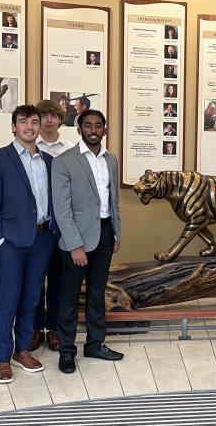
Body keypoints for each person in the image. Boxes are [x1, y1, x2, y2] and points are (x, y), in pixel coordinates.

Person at [0, 105, 59, 384]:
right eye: (23, 121)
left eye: (34, 121)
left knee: (31, 298)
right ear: (14, 127)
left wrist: (52, 233)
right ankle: (2, 358)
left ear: (40, 127)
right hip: (11, 242)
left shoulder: (48, 161)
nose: (30, 126)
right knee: (8, 300)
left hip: (42, 238)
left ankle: (22, 349)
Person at [53, 110, 123, 374]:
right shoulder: (64, 161)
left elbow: (112, 200)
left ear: (104, 130)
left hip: (105, 234)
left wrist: (116, 233)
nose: (93, 129)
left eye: (98, 125)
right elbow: (62, 209)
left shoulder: (111, 160)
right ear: (79, 129)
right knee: (69, 297)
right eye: (87, 125)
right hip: (77, 239)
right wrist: (74, 245)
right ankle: (67, 351)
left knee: (96, 293)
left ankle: (95, 344)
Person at [31, 100, 74, 351]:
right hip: (37, 226)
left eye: (53, 116)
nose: (48, 120)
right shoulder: (29, 147)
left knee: (59, 280)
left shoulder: (70, 150)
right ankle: (35, 328)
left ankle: (54, 329)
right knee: (35, 281)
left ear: (60, 120)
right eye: (43, 116)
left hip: (62, 227)